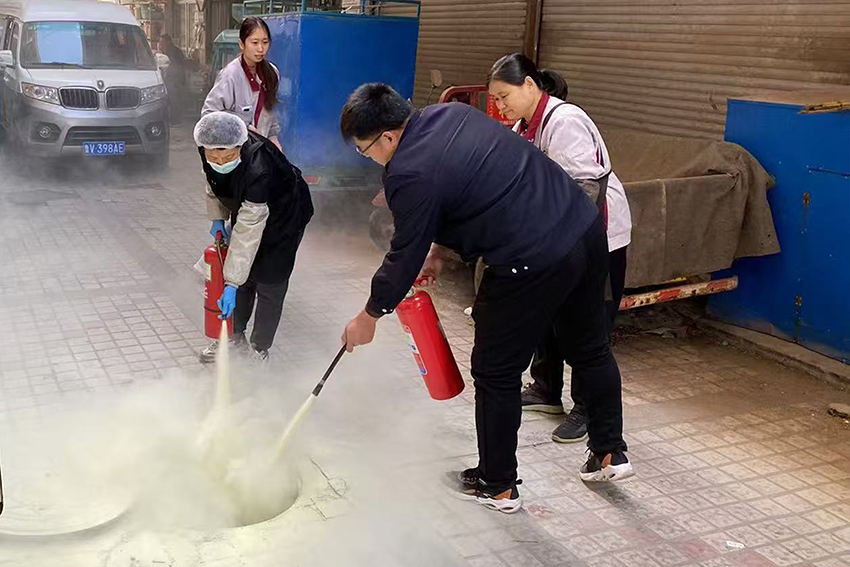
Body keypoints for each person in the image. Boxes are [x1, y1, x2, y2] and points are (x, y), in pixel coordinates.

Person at [339, 84, 633, 514]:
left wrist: (369, 315)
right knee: (591, 348)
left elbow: (403, 256)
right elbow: (472, 188)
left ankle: (497, 485)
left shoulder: (407, 172)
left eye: (365, 150)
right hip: (583, 227)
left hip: (528, 257)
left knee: (496, 371)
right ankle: (609, 452)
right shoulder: (451, 116)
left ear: (387, 136)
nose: (367, 158)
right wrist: (437, 251)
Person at [488, 53, 633, 444]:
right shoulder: (524, 126)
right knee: (548, 313)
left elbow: (587, 188)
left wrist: (563, 243)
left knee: (589, 324)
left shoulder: (564, 121)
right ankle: (546, 389)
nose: (500, 106)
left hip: (595, 234)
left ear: (529, 85)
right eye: (495, 99)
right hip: (554, 235)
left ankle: (587, 408)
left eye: (504, 97)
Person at [195, 112, 313, 363]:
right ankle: (234, 337)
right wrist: (217, 217)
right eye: (213, 157)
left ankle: (259, 349)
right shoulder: (208, 148)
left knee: (269, 280)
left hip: (284, 217)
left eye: (227, 157)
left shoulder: (259, 168)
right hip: (248, 206)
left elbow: (248, 231)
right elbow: (213, 181)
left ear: (240, 146)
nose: (220, 162)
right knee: (243, 275)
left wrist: (231, 283)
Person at [202, 16, 282, 150]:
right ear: (242, 44)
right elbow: (209, 114)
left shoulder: (272, 73)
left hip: (260, 151)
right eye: (255, 42)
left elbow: (271, 112)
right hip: (234, 152)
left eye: (265, 42)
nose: (260, 49)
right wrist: (243, 126)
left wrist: (273, 138)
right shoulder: (230, 75)